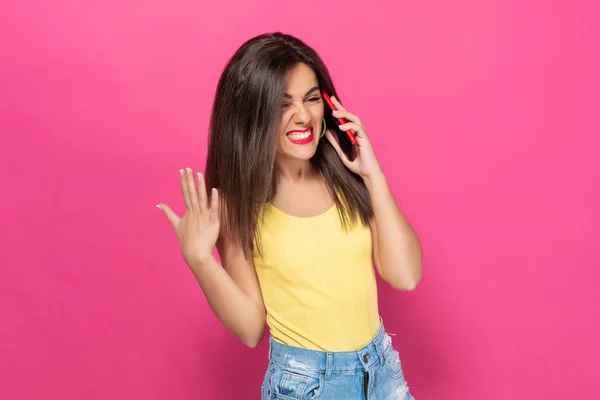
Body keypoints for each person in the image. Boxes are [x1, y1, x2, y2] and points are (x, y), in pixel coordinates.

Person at [157, 32, 422, 399]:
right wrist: (199, 259)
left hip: (380, 372)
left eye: (311, 99)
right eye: (283, 105)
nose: (303, 115)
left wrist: (373, 176)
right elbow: (251, 329)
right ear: (253, 115)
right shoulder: (239, 207)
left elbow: (405, 275)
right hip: (308, 385)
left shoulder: (346, 177)